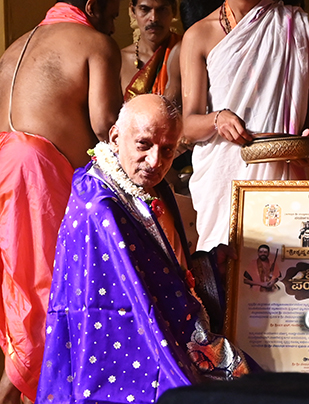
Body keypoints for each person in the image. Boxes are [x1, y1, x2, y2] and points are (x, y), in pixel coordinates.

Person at [36, 95, 250, 404]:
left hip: (178, 329)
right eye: (143, 145)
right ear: (115, 138)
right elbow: (130, 306)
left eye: (167, 150)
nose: (155, 161)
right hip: (126, 355)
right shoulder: (99, 207)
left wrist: (208, 266)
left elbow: (169, 271)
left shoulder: (149, 185)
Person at [0, 1, 123, 402]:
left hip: (7, 170)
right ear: (92, 6)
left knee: (22, 298)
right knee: (49, 298)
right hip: (36, 177)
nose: (115, 22)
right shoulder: (95, 43)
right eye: (113, 12)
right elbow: (108, 127)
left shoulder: (14, 47)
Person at [180, 0, 309, 251]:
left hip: (286, 171)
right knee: (227, 263)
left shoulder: (294, 26)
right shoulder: (198, 35)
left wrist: (305, 143)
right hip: (226, 178)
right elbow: (188, 125)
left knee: (284, 262)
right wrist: (217, 119)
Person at [121, 0, 182, 107]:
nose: (154, 18)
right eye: (145, 9)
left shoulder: (186, 52)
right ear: (133, 11)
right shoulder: (120, 60)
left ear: (174, 11)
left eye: (162, 9)